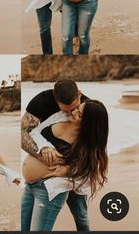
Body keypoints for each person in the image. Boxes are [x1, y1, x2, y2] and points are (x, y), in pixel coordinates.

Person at [21, 99, 109, 231]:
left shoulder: (87, 145)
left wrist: (68, 171)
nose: (73, 112)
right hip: (29, 185)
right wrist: (45, 146)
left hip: (49, 191)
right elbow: (34, 132)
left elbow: (91, 176)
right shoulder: (59, 116)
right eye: (77, 108)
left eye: (79, 114)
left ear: (88, 124)